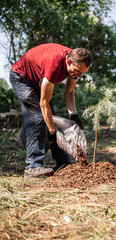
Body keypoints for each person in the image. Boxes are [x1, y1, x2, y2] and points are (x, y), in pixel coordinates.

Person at [9, 43, 92, 178]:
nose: (79, 75)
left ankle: (62, 162)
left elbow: (69, 93)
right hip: (21, 78)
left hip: (38, 81)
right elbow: (43, 103)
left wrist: (74, 115)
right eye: (77, 71)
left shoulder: (75, 63)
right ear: (69, 62)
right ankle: (33, 166)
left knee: (50, 118)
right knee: (37, 118)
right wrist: (52, 130)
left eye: (82, 73)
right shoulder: (54, 64)